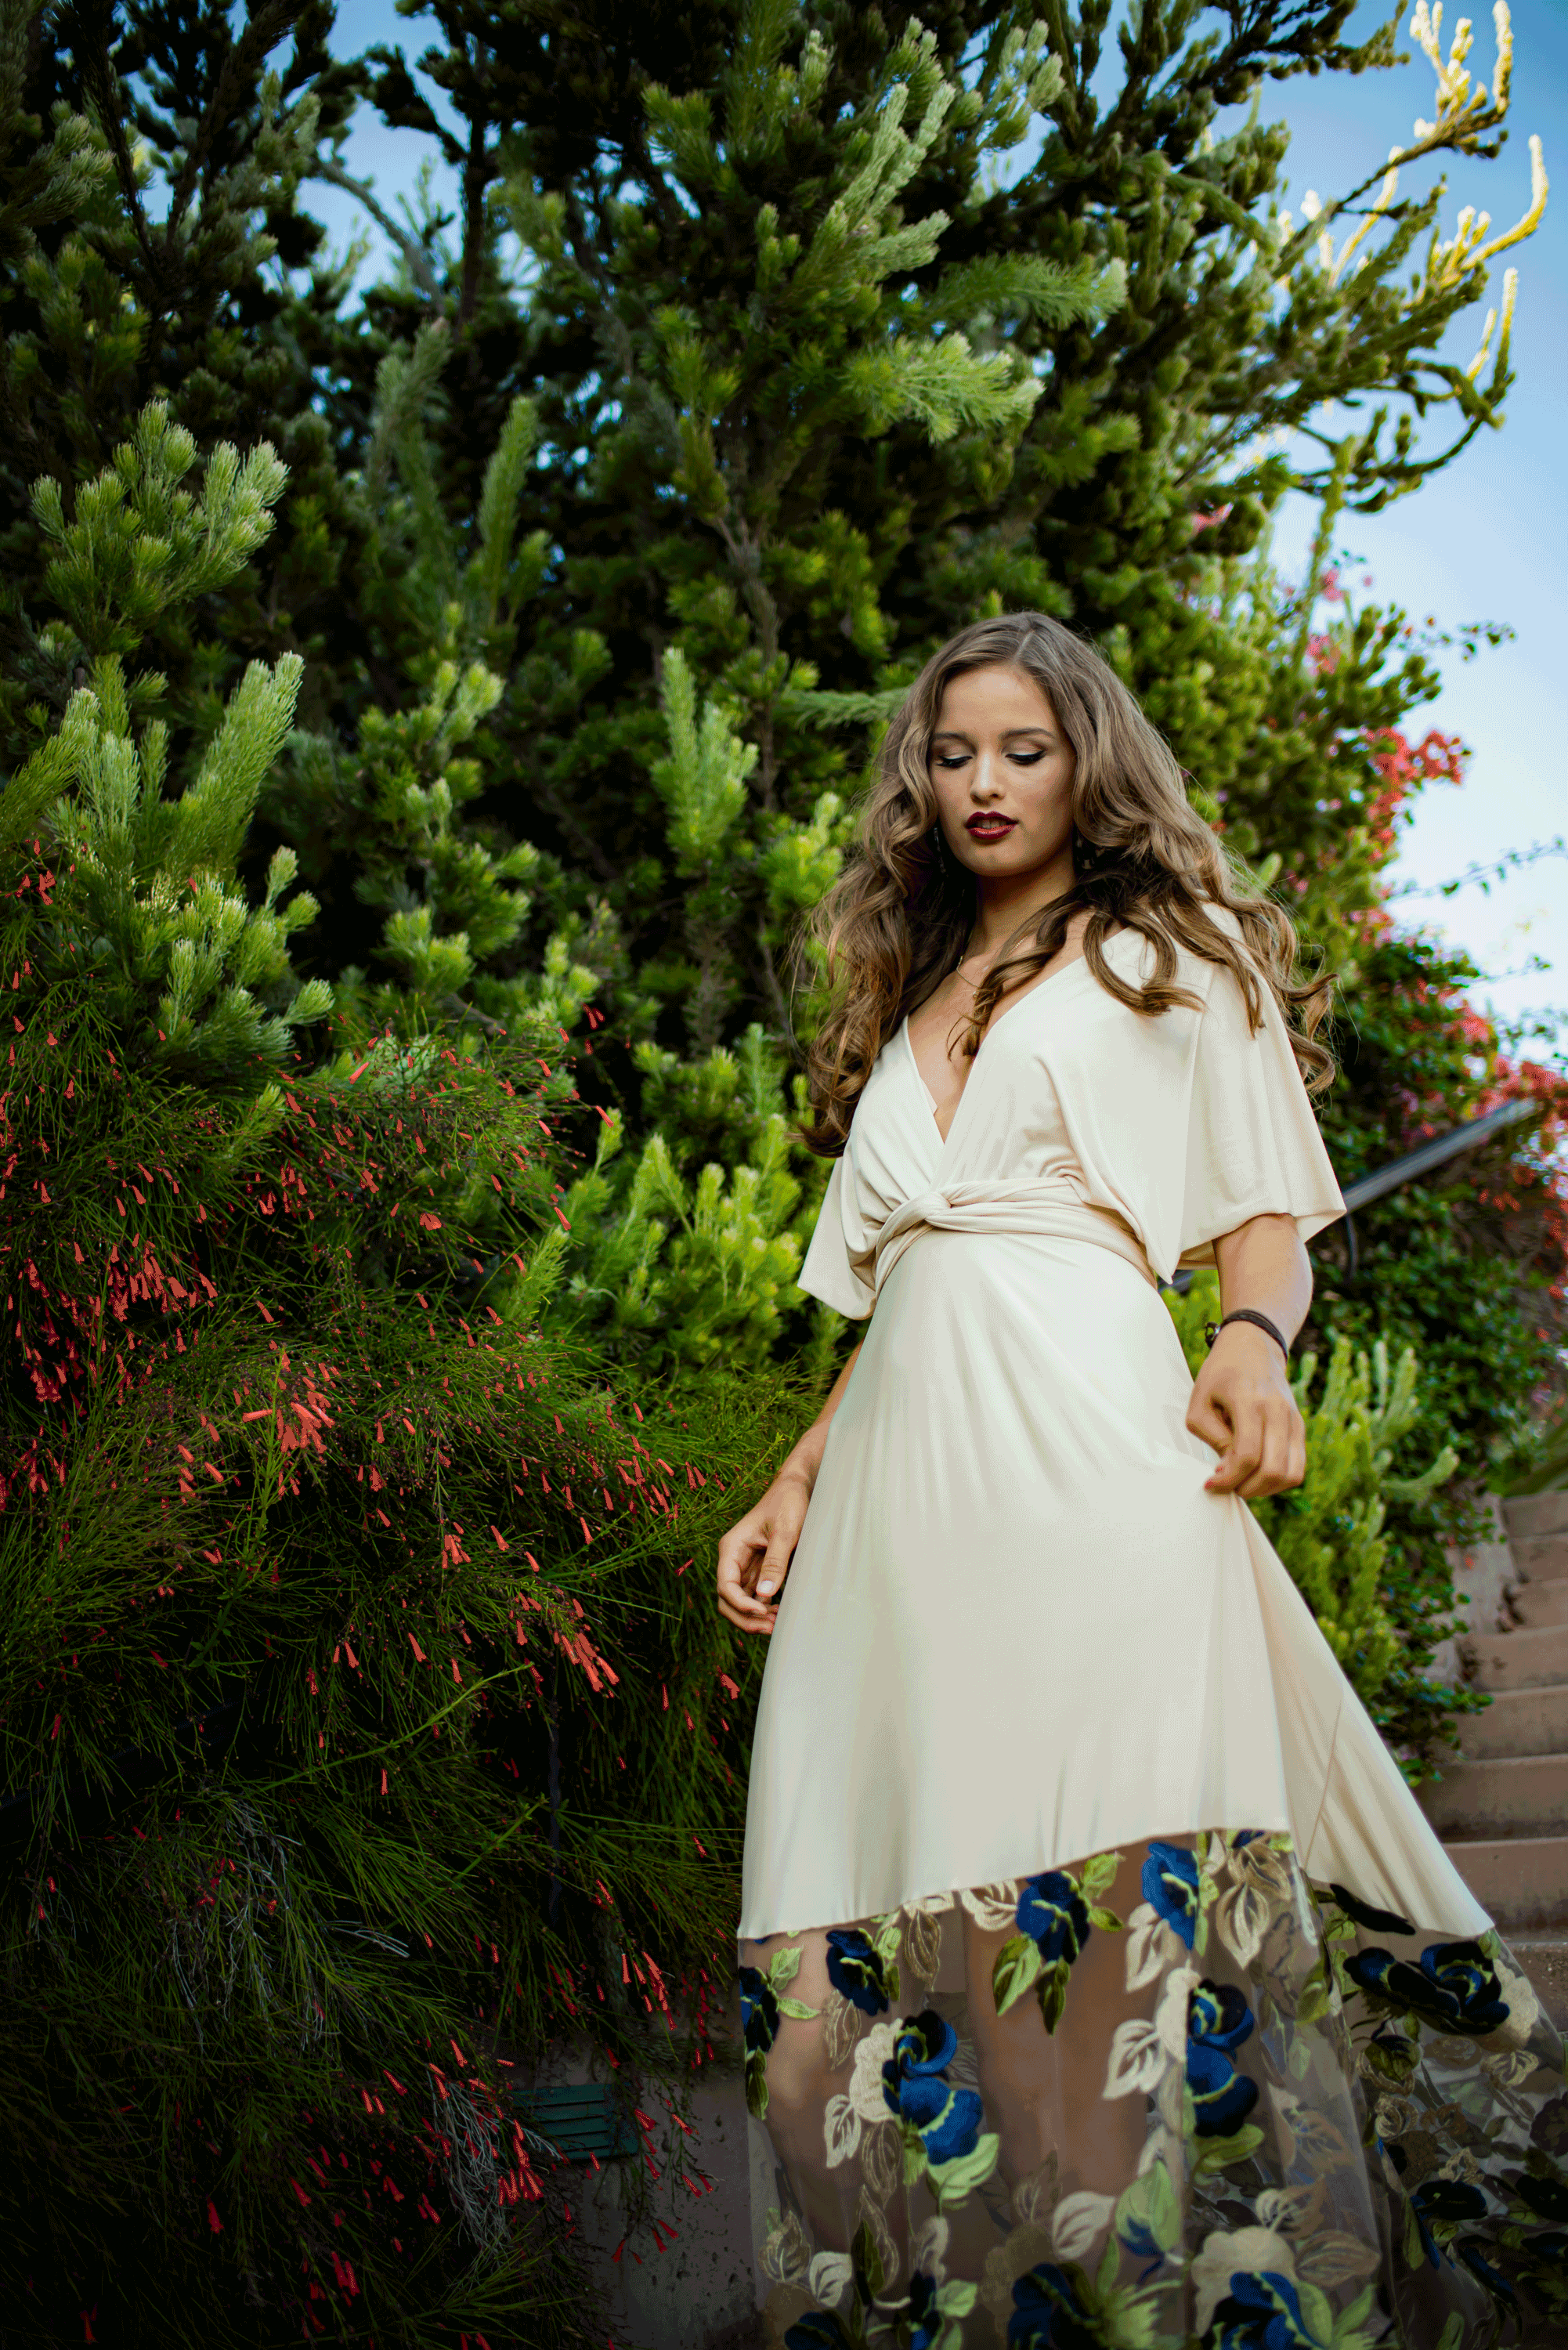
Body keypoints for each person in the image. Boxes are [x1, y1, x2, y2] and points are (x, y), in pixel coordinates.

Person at [715, 614, 1568, 2350]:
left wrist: (1247, 1342)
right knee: (821, 1987)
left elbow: (1261, 1207)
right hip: (891, 1516)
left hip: (1093, 1466)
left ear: (1084, 759)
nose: (979, 783)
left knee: (1102, 1951)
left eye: (1019, 750)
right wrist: (796, 1480)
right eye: (949, 754)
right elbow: (903, 1288)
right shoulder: (917, 990)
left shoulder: (1157, 951)